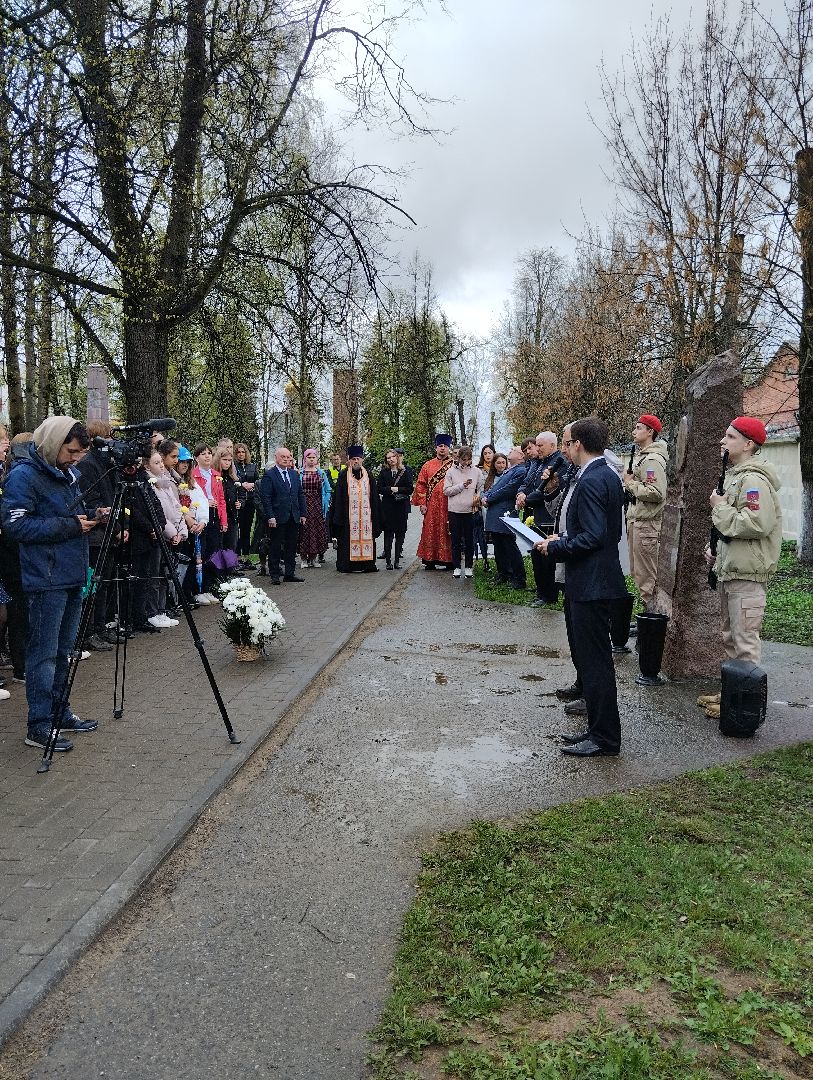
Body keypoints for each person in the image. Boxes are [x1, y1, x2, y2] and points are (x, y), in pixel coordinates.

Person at [1, 417, 99, 751]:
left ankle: (60, 712)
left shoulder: (66, 473)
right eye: (71, 451)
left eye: (80, 453)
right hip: (46, 578)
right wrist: (70, 525)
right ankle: (39, 725)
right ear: (53, 443)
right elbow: (16, 526)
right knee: (43, 655)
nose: (76, 458)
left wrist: (93, 516)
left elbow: (69, 515)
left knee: (63, 652)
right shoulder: (24, 476)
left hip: (70, 574)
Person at [536, 416, 627, 757]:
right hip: (595, 580)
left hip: (591, 583)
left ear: (578, 444)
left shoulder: (592, 479)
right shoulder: (604, 474)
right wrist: (563, 537)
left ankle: (605, 738)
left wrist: (556, 546)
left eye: (567, 442)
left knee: (595, 664)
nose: (565, 449)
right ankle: (597, 730)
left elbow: (594, 536)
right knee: (594, 662)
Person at [699, 417, 782, 720]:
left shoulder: (753, 481)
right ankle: (732, 695)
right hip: (733, 571)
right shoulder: (736, 476)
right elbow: (732, 530)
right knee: (731, 638)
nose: (723, 441)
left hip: (747, 575)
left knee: (745, 642)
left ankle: (744, 710)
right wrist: (715, 552)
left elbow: (756, 524)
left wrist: (719, 507)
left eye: (730, 437)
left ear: (748, 444)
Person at [622, 414, 668, 612]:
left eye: (639, 428)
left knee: (647, 576)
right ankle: (647, 617)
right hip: (638, 521)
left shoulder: (652, 460)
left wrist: (630, 484)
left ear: (650, 432)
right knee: (639, 573)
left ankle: (652, 618)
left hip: (647, 524)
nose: (634, 431)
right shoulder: (643, 457)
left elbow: (656, 492)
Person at [521, 431, 567, 608]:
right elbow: (533, 485)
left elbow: (550, 490)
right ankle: (542, 591)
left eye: (540, 445)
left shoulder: (558, 462)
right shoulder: (539, 463)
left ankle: (548, 594)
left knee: (547, 560)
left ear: (552, 445)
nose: (537, 448)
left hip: (549, 518)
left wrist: (528, 500)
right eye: (537, 445)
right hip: (539, 516)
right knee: (537, 556)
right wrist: (522, 494)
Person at [328, 445, 381, 572]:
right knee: (346, 541)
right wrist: (338, 518)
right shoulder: (343, 475)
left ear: (362, 459)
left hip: (366, 518)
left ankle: (367, 565)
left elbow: (374, 497)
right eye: (353, 459)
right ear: (349, 460)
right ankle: (348, 565)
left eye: (358, 459)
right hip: (348, 518)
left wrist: (376, 516)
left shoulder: (368, 475)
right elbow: (338, 498)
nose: (356, 461)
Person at [258, 447, 307, 584]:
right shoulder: (269, 475)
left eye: (288, 457)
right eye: (283, 457)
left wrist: (303, 513)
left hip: (293, 516)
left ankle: (289, 573)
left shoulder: (294, 474)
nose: (286, 459)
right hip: (277, 517)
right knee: (275, 545)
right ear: (276, 458)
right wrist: (270, 516)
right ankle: (274, 574)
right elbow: (266, 497)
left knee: (291, 546)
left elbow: (300, 494)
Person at [481, 447, 527, 588]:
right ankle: (503, 573)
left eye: (513, 450)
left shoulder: (520, 470)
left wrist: (489, 498)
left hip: (505, 512)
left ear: (520, 456)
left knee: (509, 546)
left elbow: (508, 489)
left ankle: (518, 577)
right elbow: (493, 487)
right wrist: (485, 496)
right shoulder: (511, 470)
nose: (510, 450)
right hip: (495, 512)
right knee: (499, 546)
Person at [412, 434, 455, 570]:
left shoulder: (454, 465)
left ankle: (449, 560)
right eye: (440, 446)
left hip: (449, 504)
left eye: (445, 446)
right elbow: (420, 485)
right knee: (430, 529)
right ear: (436, 448)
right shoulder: (427, 465)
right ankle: (429, 560)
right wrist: (422, 503)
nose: (442, 448)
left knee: (448, 530)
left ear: (449, 448)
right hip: (431, 505)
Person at [443, 446, 484, 577]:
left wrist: (478, 497)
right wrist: (462, 486)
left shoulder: (476, 471)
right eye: (463, 459)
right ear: (458, 458)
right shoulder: (450, 472)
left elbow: (481, 488)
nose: (466, 462)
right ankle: (456, 566)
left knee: (470, 540)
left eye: (468, 459)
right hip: (454, 510)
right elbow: (446, 491)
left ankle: (468, 567)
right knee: (455, 540)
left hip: (470, 511)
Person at [377, 447, 414, 569]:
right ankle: (388, 561)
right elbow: (379, 488)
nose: (391, 459)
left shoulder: (405, 471)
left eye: (393, 457)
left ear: (397, 458)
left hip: (401, 507)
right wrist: (390, 490)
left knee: (400, 534)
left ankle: (397, 560)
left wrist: (397, 489)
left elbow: (409, 489)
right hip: (388, 507)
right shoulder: (384, 472)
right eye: (388, 458)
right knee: (388, 534)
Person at [298, 448, 331, 568]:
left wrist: (325, 502)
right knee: (304, 531)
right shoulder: (300, 473)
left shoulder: (321, 473)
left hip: (317, 505)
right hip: (304, 504)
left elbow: (328, 489)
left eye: (313, 457)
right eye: (309, 457)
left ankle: (313, 558)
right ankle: (303, 559)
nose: (311, 460)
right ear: (305, 459)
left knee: (316, 530)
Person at [234, 443, 258, 568]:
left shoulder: (252, 466)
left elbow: (258, 481)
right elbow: (233, 481)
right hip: (238, 501)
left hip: (250, 502)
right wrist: (242, 484)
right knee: (237, 531)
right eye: (238, 452)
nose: (241, 454)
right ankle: (237, 557)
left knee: (247, 530)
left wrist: (252, 484)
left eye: (243, 452)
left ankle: (247, 557)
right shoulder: (233, 467)